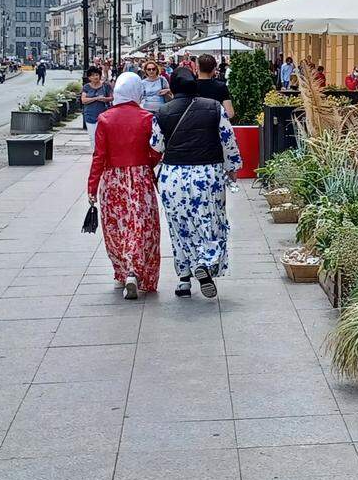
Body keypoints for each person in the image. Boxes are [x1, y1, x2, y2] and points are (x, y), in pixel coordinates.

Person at [151, 68, 242, 298]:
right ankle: (205, 262)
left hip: (174, 176)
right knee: (211, 223)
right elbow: (227, 139)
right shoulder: (213, 107)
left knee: (180, 228)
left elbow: (156, 146)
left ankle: (184, 279)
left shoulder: (162, 112)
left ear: (172, 88)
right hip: (207, 174)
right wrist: (232, 168)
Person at [87, 72, 162, 300]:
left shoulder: (105, 119)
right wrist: (147, 163)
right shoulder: (147, 118)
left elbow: (98, 156)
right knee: (142, 226)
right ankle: (136, 270)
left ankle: (122, 271)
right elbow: (156, 151)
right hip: (140, 177)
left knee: (117, 227)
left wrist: (92, 187)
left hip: (112, 180)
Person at [80, 67, 114, 146]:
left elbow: (112, 98)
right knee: (93, 138)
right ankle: (95, 156)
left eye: (96, 75)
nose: (95, 77)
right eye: (92, 76)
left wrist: (104, 99)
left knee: (103, 138)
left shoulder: (106, 86)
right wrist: (96, 98)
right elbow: (83, 100)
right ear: (89, 78)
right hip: (90, 115)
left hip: (104, 116)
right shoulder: (86, 87)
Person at [195, 54, 235, 120]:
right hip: (214, 125)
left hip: (194, 124)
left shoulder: (190, 86)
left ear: (197, 67)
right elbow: (230, 113)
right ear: (214, 69)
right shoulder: (221, 86)